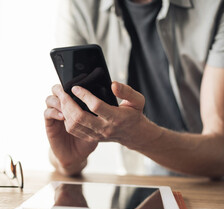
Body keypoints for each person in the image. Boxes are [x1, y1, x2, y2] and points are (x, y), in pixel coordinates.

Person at [44, 0, 224, 178]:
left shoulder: (215, 6)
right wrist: (68, 159)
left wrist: (138, 136)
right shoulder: (79, 6)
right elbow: (66, 161)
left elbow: (220, 151)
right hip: (137, 182)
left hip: (210, 186)